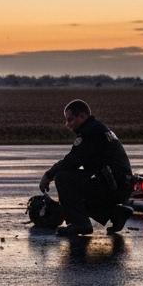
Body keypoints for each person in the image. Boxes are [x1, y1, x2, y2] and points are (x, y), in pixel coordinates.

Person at [39, 99, 134, 237]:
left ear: (82, 116)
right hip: (119, 185)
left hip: (114, 185)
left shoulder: (90, 132)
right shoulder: (98, 128)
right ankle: (116, 214)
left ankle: (80, 224)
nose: (68, 125)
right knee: (78, 185)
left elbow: (72, 161)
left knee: (64, 178)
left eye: (70, 120)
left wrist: (48, 175)